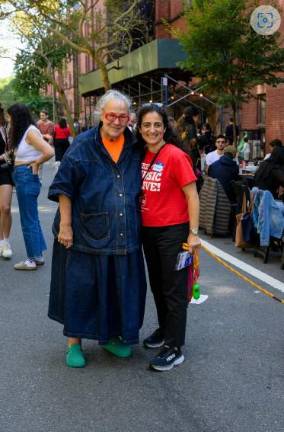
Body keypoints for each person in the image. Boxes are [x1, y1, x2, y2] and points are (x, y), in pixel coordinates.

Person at [48, 90, 147, 368]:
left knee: (118, 286)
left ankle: (111, 338)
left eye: (122, 116)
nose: (116, 121)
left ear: (129, 118)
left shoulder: (134, 145)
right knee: (81, 287)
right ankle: (74, 344)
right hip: (83, 228)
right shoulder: (82, 144)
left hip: (123, 229)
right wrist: (65, 226)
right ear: (101, 116)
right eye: (111, 115)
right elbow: (64, 187)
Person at [137, 103, 200, 372]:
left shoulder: (175, 156)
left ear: (165, 128)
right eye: (147, 125)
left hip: (174, 232)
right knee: (158, 286)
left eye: (157, 125)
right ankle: (164, 330)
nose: (152, 130)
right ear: (139, 129)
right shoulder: (139, 154)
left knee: (174, 290)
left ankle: (175, 348)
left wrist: (193, 234)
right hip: (148, 232)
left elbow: (192, 195)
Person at [7, 103, 54, 270]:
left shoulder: (30, 132)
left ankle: (32, 259)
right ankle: (37, 255)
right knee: (31, 218)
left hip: (26, 176)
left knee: (28, 220)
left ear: (17, 117)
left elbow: (49, 151)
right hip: (24, 176)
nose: (8, 120)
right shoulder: (28, 131)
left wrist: (36, 163)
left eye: (10, 116)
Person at [0, 106, 13, 259]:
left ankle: (6, 242)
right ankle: (0, 241)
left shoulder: (6, 127)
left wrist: (9, 154)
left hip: (4, 171)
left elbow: (12, 148)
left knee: (5, 207)